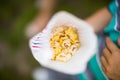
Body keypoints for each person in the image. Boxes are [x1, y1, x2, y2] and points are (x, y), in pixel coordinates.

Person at [27, 0, 120, 80]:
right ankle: (49, 75)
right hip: (90, 50)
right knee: (58, 68)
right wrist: (82, 29)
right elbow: (113, 11)